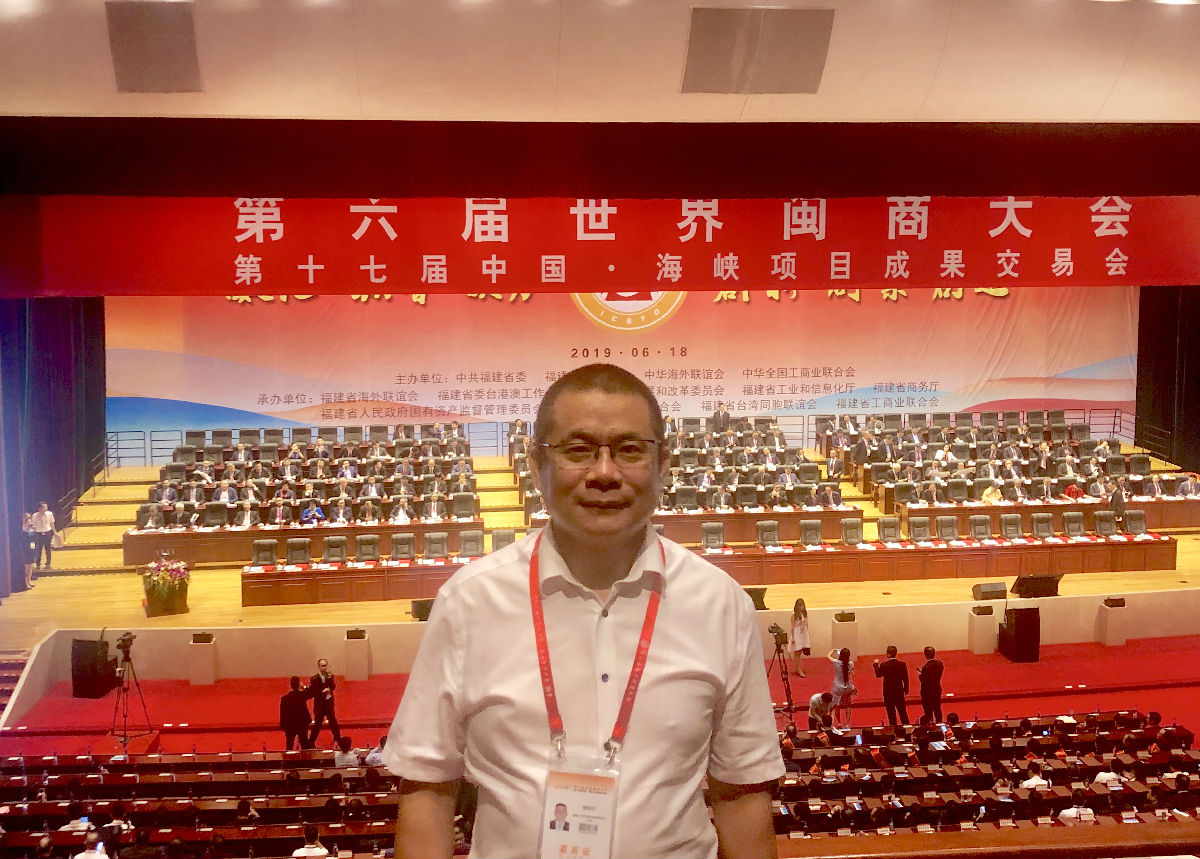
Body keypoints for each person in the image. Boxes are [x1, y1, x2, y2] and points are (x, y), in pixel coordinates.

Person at [385, 363, 782, 859]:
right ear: (537, 464)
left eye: (629, 450)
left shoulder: (720, 603)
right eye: (578, 450)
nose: (604, 474)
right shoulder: (469, 602)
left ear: (663, 464)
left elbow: (741, 791)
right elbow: (428, 787)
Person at [873, 645, 909, 727]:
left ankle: (893, 730)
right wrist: (906, 689)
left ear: (888, 654)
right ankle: (907, 729)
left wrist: (875, 664)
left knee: (891, 714)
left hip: (888, 693)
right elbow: (905, 678)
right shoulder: (902, 664)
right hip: (899, 691)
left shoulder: (884, 665)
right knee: (903, 713)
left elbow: (878, 674)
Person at [308, 657, 341, 747]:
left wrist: (329, 689)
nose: (323, 668)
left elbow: (333, 686)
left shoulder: (330, 676)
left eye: (325, 666)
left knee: (333, 722)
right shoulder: (314, 679)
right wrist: (322, 692)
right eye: (322, 666)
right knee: (317, 724)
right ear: (319, 667)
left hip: (328, 703)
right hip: (319, 704)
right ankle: (311, 742)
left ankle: (338, 739)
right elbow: (312, 692)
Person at [279, 675, 312, 750]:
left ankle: (288, 757)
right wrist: (304, 687)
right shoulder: (302, 695)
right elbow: (311, 693)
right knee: (304, 745)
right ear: (298, 684)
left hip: (290, 725)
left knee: (289, 746)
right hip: (302, 724)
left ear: (290, 684)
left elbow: (282, 713)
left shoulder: (285, 698)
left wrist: (283, 725)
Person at [829, 647, 856, 730]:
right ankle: (847, 723)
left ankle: (839, 723)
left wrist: (833, 650)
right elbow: (850, 672)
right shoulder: (851, 663)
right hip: (847, 688)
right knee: (847, 705)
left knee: (836, 705)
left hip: (838, 688)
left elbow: (828, 656)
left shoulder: (836, 662)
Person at [917, 646, 944, 723]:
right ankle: (939, 724)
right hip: (937, 689)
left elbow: (923, 680)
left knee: (928, 711)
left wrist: (920, 674)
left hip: (927, 692)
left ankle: (930, 724)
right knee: (937, 709)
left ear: (926, 655)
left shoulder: (926, 667)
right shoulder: (940, 664)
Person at [30, 502, 56, 570]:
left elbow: (52, 523)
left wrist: (54, 532)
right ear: (39, 508)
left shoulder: (49, 514)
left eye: (46, 507)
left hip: (47, 532)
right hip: (38, 533)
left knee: (48, 549)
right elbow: (33, 525)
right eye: (44, 507)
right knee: (38, 549)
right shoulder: (35, 515)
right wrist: (33, 531)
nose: (45, 509)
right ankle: (38, 564)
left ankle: (48, 564)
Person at [790, 598, 810, 676]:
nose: (802, 607)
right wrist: (793, 637)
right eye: (800, 606)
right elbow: (792, 627)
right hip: (797, 634)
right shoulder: (794, 615)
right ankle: (799, 669)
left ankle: (797, 668)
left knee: (800, 652)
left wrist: (806, 634)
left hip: (803, 633)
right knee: (797, 652)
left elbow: (806, 624)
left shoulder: (804, 614)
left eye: (803, 605)